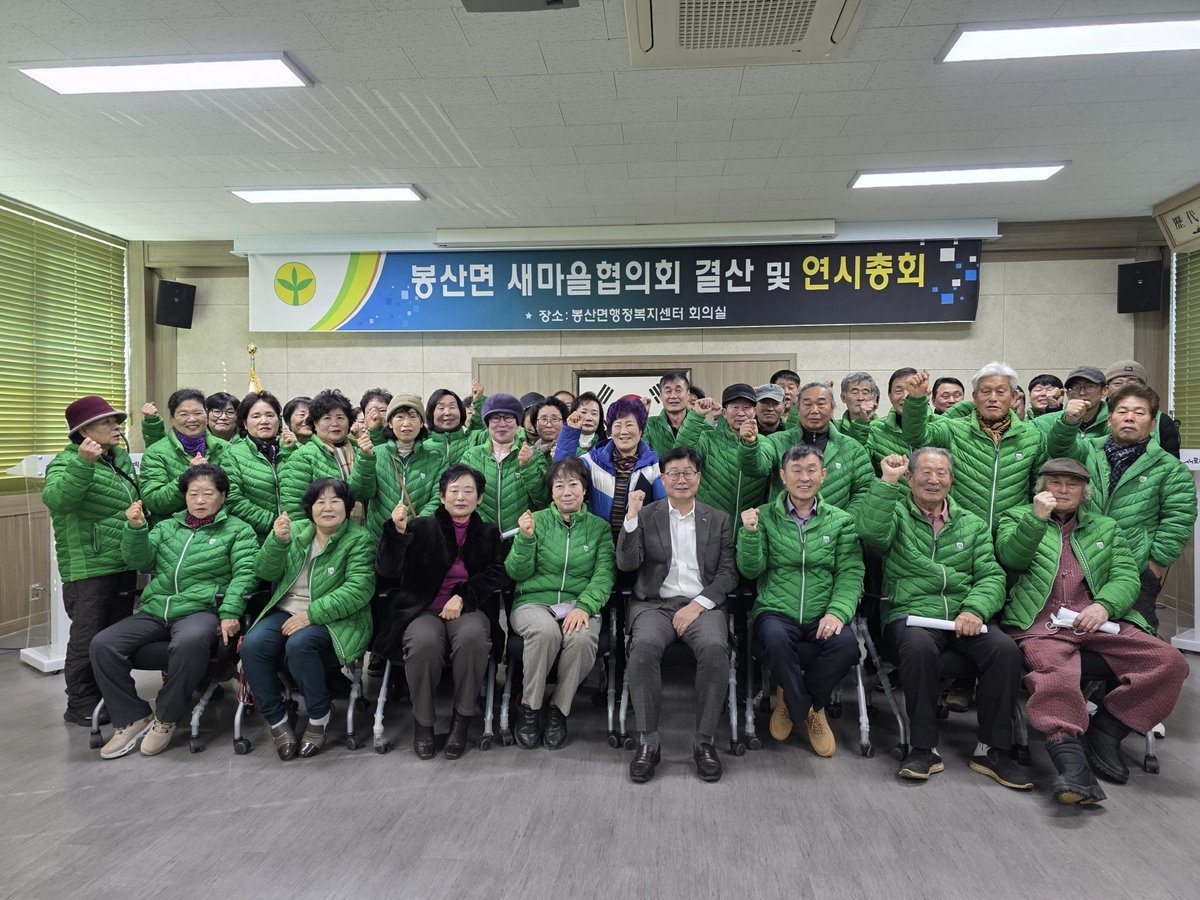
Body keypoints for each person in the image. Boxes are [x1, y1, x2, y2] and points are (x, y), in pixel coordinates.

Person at [996, 458, 1190, 804]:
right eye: (1054, 482)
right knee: (1056, 677)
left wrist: (1104, 605)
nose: (1063, 490)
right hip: (1040, 624)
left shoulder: (1106, 527)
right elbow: (1012, 559)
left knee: (1169, 662)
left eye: (1072, 484)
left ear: (1085, 492)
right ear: (1040, 488)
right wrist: (1035, 519)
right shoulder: (1016, 517)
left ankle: (1107, 731)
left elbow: (1126, 577)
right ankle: (1072, 767)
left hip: (1097, 621)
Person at [857, 450, 1031, 790]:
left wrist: (975, 609)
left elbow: (991, 576)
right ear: (910, 478)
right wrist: (887, 482)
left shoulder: (972, 523)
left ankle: (992, 750)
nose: (933, 479)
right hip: (911, 614)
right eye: (925, 472)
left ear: (951, 479)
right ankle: (923, 748)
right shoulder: (896, 513)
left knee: (1005, 650)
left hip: (964, 615)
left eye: (941, 473)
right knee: (919, 648)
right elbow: (871, 532)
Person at [91, 465, 258, 758]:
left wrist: (230, 611)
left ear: (223, 496)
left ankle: (165, 717)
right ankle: (132, 716)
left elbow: (245, 575)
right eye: (193, 494)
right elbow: (140, 561)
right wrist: (136, 529)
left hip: (202, 610)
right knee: (103, 644)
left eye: (208, 493)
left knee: (189, 642)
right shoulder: (167, 527)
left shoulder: (238, 530)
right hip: (157, 608)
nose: (200, 500)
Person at [616, 447, 738, 784]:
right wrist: (631, 516)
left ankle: (704, 741)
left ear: (698, 477)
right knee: (642, 648)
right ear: (663, 478)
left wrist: (697, 605)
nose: (681, 479)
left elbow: (728, 574)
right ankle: (648, 741)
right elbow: (627, 564)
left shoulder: (718, 519)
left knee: (715, 650)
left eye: (688, 473)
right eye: (673, 473)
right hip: (654, 604)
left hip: (702, 604)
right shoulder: (647, 515)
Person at [737, 445, 864, 759]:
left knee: (848, 647)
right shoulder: (764, 516)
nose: (804, 477)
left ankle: (796, 702)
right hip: (776, 610)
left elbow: (850, 573)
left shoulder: (841, 521)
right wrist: (749, 534)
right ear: (783, 476)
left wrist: (837, 613)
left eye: (811, 470)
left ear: (823, 475)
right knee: (774, 640)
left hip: (823, 610)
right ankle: (809, 711)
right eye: (796, 470)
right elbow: (751, 570)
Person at [374, 465, 506, 760]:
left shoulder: (488, 534)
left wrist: (463, 596)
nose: (461, 497)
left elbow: (497, 574)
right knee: (423, 641)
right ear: (443, 497)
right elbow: (387, 570)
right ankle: (423, 723)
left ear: (479, 498)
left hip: (468, 608)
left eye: (469, 491)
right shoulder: (420, 527)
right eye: (454, 491)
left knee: (473, 638)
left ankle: (462, 721)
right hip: (422, 608)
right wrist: (396, 533)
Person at [242, 479, 376, 760]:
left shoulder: (360, 539)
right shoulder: (296, 532)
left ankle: (319, 715)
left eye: (335, 501)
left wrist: (312, 615)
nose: (328, 508)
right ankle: (277, 720)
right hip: (286, 609)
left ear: (348, 507)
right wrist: (276, 544)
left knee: (299, 645)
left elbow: (358, 589)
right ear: (310, 508)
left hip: (339, 617)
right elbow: (264, 572)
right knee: (253, 645)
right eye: (320, 502)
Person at [1047, 384, 1197, 633]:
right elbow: (1058, 451)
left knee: (1134, 634)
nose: (1129, 417)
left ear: (1153, 424)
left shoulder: (1170, 468)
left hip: (1136, 568)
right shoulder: (1087, 451)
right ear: (1109, 420)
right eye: (1122, 411)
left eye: (1139, 412)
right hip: (1080, 561)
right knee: (1078, 632)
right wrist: (1068, 422)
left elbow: (1178, 520)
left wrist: (1154, 566)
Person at [504, 457, 616, 749]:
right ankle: (529, 707)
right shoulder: (536, 521)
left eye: (573, 484)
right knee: (545, 632)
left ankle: (558, 709)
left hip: (579, 603)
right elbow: (516, 573)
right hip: (533, 602)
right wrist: (525, 540)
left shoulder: (600, 528)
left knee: (582, 638)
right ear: (551, 492)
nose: (567, 492)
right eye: (559, 485)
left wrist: (584, 606)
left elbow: (604, 575)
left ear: (585, 489)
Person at [44, 396, 140, 725]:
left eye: (116, 421)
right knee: (88, 636)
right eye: (107, 422)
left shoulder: (118, 459)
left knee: (113, 637)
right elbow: (58, 500)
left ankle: (109, 696)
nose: (116, 427)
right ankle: (80, 702)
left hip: (122, 561)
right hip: (88, 567)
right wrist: (83, 464)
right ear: (84, 431)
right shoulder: (66, 463)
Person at [901, 364, 1045, 531]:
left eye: (1000, 391)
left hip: (1012, 532)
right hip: (962, 531)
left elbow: (1037, 488)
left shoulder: (1032, 436)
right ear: (975, 397)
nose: (993, 398)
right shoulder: (954, 429)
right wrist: (917, 400)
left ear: (1013, 397)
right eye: (985, 391)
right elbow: (916, 437)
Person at [744, 382, 874, 518]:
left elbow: (864, 490)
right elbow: (755, 469)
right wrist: (750, 445)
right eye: (807, 404)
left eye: (821, 404)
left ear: (832, 409)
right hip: (784, 526)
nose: (814, 410)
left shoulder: (852, 448)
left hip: (834, 528)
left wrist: (844, 521)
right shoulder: (776, 441)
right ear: (798, 409)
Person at [555, 395, 665, 537]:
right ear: (610, 431)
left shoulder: (655, 467)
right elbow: (562, 471)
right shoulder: (592, 461)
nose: (623, 431)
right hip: (596, 541)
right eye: (617, 425)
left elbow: (663, 508)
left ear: (641, 430)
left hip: (637, 542)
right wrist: (570, 432)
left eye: (629, 425)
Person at [278, 389, 377, 520]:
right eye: (327, 418)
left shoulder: (359, 452)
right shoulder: (302, 456)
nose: (334, 423)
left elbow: (366, 493)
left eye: (340, 417)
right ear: (315, 423)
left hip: (358, 529)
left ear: (349, 422)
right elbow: (293, 510)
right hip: (320, 531)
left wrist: (365, 459)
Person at [460, 392, 549, 534]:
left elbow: (543, 499)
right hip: (481, 537)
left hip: (522, 536)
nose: (502, 424)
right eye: (495, 418)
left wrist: (529, 465)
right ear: (487, 423)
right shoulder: (471, 456)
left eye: (508, 418)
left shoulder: (535, 455)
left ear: (517, 423)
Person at [139, 388, 233, 519]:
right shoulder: (155, 453)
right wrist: (187, 476)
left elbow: (235, 495)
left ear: (206, 414)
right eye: (183, 414)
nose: (192, 419)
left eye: (198, 413)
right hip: (172, 528)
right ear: (172, 418)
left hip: (220, 526)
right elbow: (154, 502)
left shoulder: (226, 449)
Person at [366, 393, 447, 540]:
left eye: (412, 416)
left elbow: (439, 495)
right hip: (380, 538)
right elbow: (362, 491)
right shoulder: (375, 454)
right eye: (400, 417)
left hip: (420, 537)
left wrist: (418, 524)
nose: (406, 423)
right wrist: (364, 460)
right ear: (390, 423)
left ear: (421, 423)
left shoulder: (436, 457)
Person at [694, 384, 768, 524]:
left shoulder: (765, 443)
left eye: (746, 407)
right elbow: (682, 453)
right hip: (711, 525)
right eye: (735, 407)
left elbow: (757, 469)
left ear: (754, 412)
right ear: (724, 412)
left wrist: (750, 443)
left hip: (749, 527)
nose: (741, 413)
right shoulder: (708, 439)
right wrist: (696, 417)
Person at [224, 390, 287, 542]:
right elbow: (232, 498)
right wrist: (273, 522)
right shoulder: (232, 454)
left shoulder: (293, 450)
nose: (264, 421)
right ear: (245, 423)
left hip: (296, 535)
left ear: (278, 420)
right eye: (256, 416)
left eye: (270, 415)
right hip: (252, 537)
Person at [1104, 359, 1182, 457]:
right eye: (1118, 383)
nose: (1125, 388)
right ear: (1106, 389)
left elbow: (1171, 461)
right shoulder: (1095, 415)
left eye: (1132, 383)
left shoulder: (1162, 421)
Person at [642, 371, 712, 455]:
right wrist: (640, 418)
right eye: (668, 391)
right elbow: (639, 455)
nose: (673, 396)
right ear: (660, 396)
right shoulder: (650, 425)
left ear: (688, 394)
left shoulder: (704, 425)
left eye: (678, 390)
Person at [1030, 366, 1108, 439]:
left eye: (1089, 386)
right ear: (1068, 394)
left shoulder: (1112, 421)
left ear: (1104, 390)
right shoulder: (1041, 423)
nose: (1082, 393)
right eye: (1075, 387)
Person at [424, 381, 487, 464]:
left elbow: (479, 427)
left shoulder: (475, 440)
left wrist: (479, 402)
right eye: (441, 408)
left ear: (461, 412)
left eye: (452, 407)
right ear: (431, 414)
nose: (447, 412)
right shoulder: (423, 448)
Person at [868, 367, 917, 469]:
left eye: (911, 389)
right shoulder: (874, 429)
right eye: (898, 391)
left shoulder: (939, 426)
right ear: (890, 395)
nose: (905, 396)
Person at [839, 371, 878, 448]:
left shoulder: (883, 428)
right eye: (855, 392)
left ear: (873, 398)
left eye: (865, 392)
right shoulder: (834, 428)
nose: (860, 398)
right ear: (843, 397)